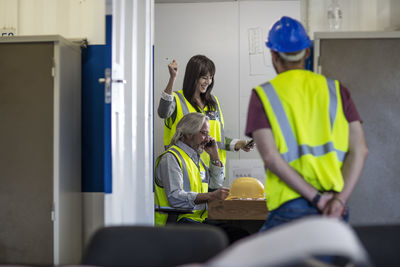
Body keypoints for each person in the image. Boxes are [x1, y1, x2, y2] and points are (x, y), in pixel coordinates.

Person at [245, 16, 369, 232]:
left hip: (290, 208)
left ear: (274, 55)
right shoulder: (337, 91)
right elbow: (360, 150)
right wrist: (338, 201)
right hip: (334, 209)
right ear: (308, 52)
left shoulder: (263, 95)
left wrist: (316, 198)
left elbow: (271, 158)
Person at [154, 112, 249, 243]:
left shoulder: (196, 160)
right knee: (225, 238)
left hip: (197, 220)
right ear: (188, 134)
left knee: (241, 235)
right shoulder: (171, 158)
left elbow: (215, 185)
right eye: (204, 133)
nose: (208, 139)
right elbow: (175, 198)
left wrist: (215, 157)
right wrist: (211, 196)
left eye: (208, 134)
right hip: (175, 222)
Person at [157, 55, 254, 169]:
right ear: (193, 77)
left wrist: (239, 144)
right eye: (204, 77)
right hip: (184, 170)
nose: (208, 82)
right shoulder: (177, 99)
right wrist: (172, 78)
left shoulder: (213, 102)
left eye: (211, 77)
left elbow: (218, 139)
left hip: (213, 172)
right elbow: (163, 112)